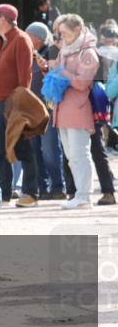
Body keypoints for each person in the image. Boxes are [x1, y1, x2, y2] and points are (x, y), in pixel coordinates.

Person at [0, 4, 41, 207]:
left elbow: (24, 76)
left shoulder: (20, 39)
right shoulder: (0, 40)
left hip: (13, 104)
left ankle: (30, 193)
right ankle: (5, 192)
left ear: (4, 19)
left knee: (22, 147)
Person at [54, 14, 100, 208]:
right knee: (71, 156)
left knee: (80, 153)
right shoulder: (64, 51)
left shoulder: (88, 53)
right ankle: (80, 194)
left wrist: (61, 72)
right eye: (59, 33)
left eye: (64, 33)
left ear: (78, 30)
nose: (61, 37)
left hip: (79, 109)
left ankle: (83, 195)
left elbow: (82, 83)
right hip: (62, 108)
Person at [27, 22, 66, 198]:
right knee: (34, 149)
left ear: (37, 38)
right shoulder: (28, 55)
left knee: (50, 149)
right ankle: (41, 187)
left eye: (29, 36)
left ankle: (58, 187)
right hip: (31, 109)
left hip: (48, 108)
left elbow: (57, 77)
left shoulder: (52, 52)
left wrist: (45, 68)